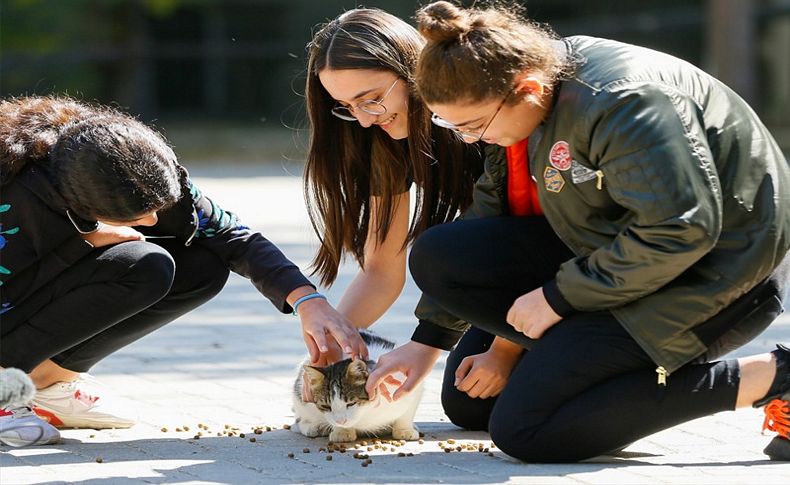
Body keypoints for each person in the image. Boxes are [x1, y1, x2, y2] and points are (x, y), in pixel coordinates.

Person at [367, 1, 790, 462]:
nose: (470, 139)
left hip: (719, 277)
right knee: (444, 279)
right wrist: (429, 340)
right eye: (455, 126)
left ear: (526, 88)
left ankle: (773, 376)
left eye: (472, 126)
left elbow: (678, 231)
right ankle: (579, 367)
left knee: (525, 430)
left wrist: (556, 298)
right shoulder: (527, 92)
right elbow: (491, 215)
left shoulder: (624, 102)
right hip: (622, 258)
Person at [0, 96, 366, 444]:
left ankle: (48, 383)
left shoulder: (122, 159)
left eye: (157, 206)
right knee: (143, 259)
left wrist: (307, 300)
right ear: (79, 203)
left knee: (197, 265)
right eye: (137, 214)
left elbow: (230, 235)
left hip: (37, 280)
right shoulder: (14, 193)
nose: (152, 220)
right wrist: (88, 238)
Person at [302, 7, 496, 369]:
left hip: (554, 274)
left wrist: (503, 351)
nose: (362, 119)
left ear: (411, 71)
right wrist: (333, 342)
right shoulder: (384, 140)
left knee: (437, 250)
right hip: (499, 277)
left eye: (371, 98)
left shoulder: (483, 116)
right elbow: (381, 270)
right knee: (467, 402)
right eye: (347, 106)